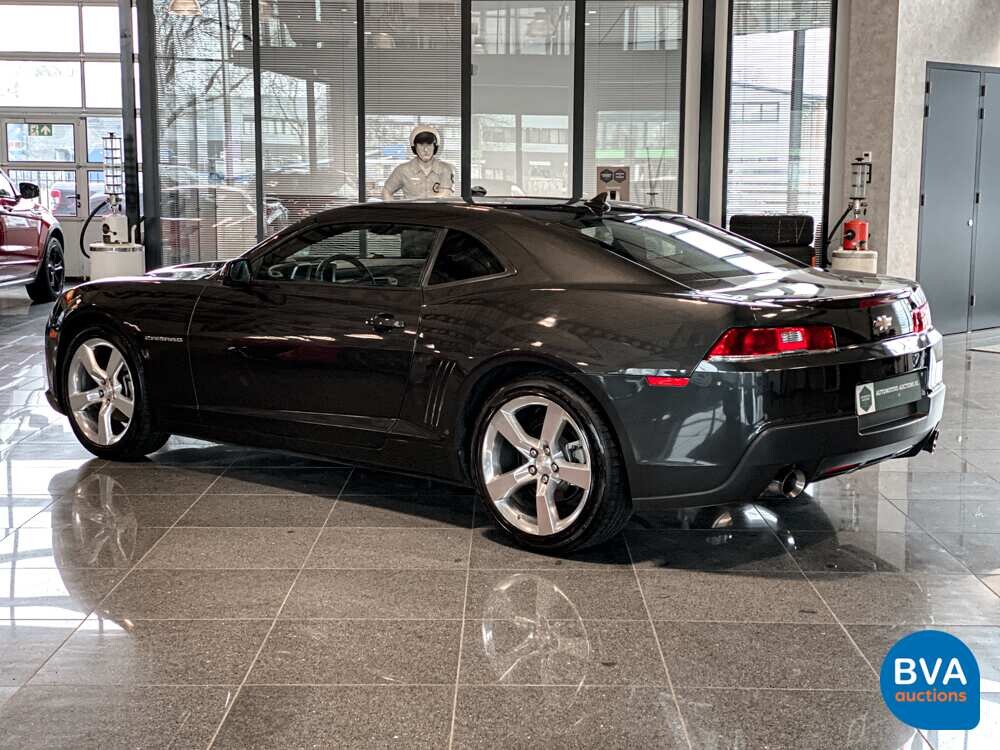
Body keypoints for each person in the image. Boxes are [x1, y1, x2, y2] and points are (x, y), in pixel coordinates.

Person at [381, 125, 455, 200]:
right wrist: (395, 210)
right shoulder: (402, 170)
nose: (425, 149)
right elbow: (386, 191)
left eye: (429, 145)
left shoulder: (446, 169)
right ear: (414, 148)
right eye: (421, 145)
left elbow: (444, 195)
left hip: (436, 211)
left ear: (435, 147)